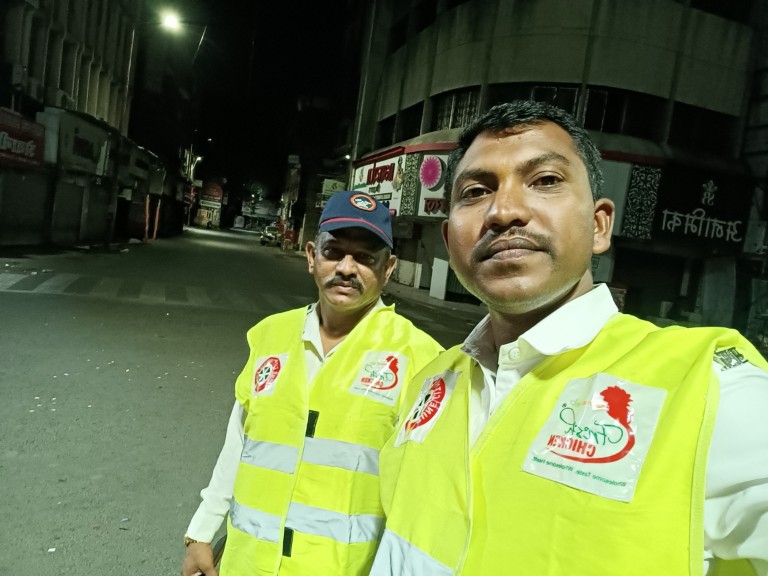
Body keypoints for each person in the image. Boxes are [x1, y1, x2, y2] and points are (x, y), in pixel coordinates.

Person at [370, 101, 768, 575]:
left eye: (545, 181)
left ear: (599, 226)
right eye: (476, 191)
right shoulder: (431, 382)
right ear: (449, 238)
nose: (504, 211)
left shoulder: (707, 389)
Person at [181, 191, 443, 576]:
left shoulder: (421, 359)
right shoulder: (270, 335)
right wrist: (202, 531)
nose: (347, 268)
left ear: (388, 269)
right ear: (311, 256)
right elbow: (239, 442)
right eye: (334, 252)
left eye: (366, 258)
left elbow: (424, 496)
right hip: (246, 563)